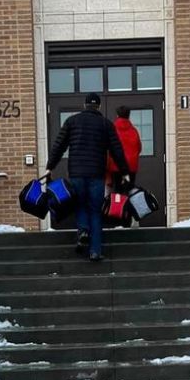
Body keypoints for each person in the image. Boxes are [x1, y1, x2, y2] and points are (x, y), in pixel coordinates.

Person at [46, 93, 130, 261]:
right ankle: (95, 251)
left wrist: (50, 166)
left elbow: (59, 145)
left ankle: (83, 230)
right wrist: (125, 171)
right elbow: (116, 150)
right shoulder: (105, 124)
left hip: (77, 173)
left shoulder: (72, 121)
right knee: (95, 211)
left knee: (80, 205)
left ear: (85, 105)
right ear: (98, 106)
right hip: (96, 174)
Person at [107, 105, 142, 192]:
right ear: (128, 116)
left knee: (117, 192)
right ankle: (128, 205)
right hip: (131, 167)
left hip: (116, 166)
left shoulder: (113, 129)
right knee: (129, 191)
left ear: (117, 115)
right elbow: (139, 148)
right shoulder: (134, 130)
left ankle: (118, 205)